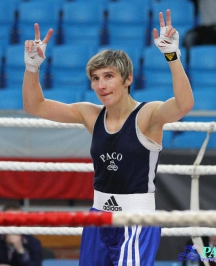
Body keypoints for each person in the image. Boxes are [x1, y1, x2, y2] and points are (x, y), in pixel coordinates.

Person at [23, 8, 194, 266]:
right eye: (95, 78)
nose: (101, 85)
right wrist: (32, 66)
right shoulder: (90, 114)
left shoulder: (147, 115)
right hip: (98, 217)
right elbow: (35, 106)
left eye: (109, 76)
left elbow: (184, 105)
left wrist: (172, 56)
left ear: (128, 79)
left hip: (136, 219)